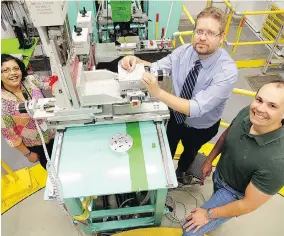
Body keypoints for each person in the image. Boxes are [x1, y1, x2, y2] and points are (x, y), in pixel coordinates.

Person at [120, 7, 238, 184]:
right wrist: (135, 61)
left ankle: (183, 171)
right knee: (167, 146)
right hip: (175, 116)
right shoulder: (184, 52)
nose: (202, 37)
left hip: (201, 127)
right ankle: (164, 174)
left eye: (210, 33)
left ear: (221, 37)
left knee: (190, 152)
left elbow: (196, 108)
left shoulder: (227, 71)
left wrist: (158, 92)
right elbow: (157, 68)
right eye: (199, 31)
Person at [182, 80, 284, 236]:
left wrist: (208, 214)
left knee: (189, 230)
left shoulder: (278, 161)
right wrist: (210, 160)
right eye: (259, 100)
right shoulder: (248, 113)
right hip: (221, 174)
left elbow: (248, 204)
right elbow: (227, 135)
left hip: (234, 194)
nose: (260, 109)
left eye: (272, 106)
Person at [1, 54, 56, 169]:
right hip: (37, 144)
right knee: (53, 170)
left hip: (54, 130)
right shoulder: (3, 103)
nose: (13, 73)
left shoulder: (31, 81)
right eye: (5, 70)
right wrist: (28, 154)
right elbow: (11, 135)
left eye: (16, 68)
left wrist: (55, 86)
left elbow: (51, 82)